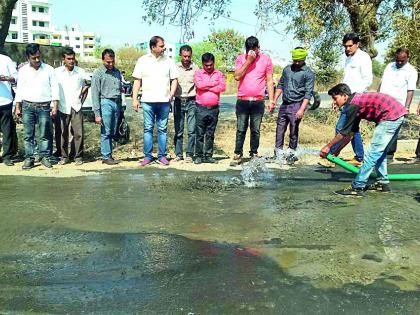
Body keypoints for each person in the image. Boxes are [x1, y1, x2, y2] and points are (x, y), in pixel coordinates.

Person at [320, 83, 407, 197]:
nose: (334, 102)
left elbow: (343, 132)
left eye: (335, 98)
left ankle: (357, 187)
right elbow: (350, 134)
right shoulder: (354, 103)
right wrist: (337, 151)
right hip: (397, 113)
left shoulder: (352, 105)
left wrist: (328, 147)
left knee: (372, 154)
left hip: (390, 116)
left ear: (344, 95)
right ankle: (382, 183)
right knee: (380, 153)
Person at [132, 35, 178, 166]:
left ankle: (162, 156)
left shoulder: (169, 61)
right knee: (148, 128)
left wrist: (171, 94)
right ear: (153, 47)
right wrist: (134, 99)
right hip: (147, 101)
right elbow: (137, 81)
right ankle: (148, 156)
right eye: (161, 46)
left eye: (164, 46)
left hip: (164, 101)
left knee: (162, 129)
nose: (164, 48)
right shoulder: (142, 60)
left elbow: (174, 79)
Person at [231, 36, 275, 166]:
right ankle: (238, 153)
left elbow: (269, 80)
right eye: (248, 50)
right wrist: (249, 61)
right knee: (240, 129)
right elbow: (237, 76)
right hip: (242, 100)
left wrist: (272, 100)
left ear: (257, 48)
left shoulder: (266, 59)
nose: (250, 52)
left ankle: (253, 153)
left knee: (255, 129)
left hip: (258, 101)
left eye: (253, 50)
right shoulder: (241, 58)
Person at [15, 43, 59, 170]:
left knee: (44, 133)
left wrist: (54, 105)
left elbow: (54, 88)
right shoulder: (22, 71)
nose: (37, 60)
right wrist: (18, 107)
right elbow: (20, 90)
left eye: (38, 56)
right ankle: (30, 158)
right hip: (28, 106)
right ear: (28, 57)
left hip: (44, 106)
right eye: (34, 58)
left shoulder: (49, 70)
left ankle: (45, 156)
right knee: (28, 134)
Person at [333, 33, 373, 166]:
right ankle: (359, 157)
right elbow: (345, 81)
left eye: (350, 46)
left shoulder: (364, 58)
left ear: (357, 44)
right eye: (345, 46)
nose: (348, 48)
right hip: (346, 98)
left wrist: (354, 96)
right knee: (353, 129)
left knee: (341, 127)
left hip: (357, 99)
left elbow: (368, 80)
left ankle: (331, 156)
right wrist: (337, 98)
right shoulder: (348, 58)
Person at [271, 47, 314, 164]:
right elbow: (280, 85)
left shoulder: (308, 73)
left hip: (297, 104)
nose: (296, 63)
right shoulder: (287, 70)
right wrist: (274, 100)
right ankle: (277, 153)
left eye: (298, 61)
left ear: (304, 59)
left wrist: (301, 109)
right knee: (280, 129)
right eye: (294, 60)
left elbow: (308, 93)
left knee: (293, 131)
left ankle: (291, 154)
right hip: (284, 104)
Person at [379, 48, 418, 161]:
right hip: (383, 103)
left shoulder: (411, 71)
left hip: (397, 105)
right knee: (381, 128)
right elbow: (382, 83)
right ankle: (380, 154)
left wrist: (406, 107)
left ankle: (389, 156)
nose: (399, 62)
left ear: (407, 58)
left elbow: (410, 91)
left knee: (393, 130)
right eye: (398, 60)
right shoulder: (389, 66)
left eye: (402, 60)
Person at [55, 47, 90, 165]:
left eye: (73, 59)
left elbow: (87, 85)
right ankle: (64, 156)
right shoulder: (57, 72)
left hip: (76, 105)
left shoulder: (80, 71)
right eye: (68, 59)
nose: (71, 61)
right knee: (62, 133)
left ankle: (78, 156)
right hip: (62, 105)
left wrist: (82, 99)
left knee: (78, 133)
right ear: (63, 59)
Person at [91, 48, 123, 165]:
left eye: (112, 61)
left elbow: (120, 90)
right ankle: (106, 156)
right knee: (106, 131)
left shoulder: (117, 72)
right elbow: (94, 94)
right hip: (105, 102)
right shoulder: (98, 73)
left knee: (113, 130)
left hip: (116, 103)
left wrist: (121, 108)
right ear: (102, 60)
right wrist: (97, 114)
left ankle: (110, 155)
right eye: (108, 62)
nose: (110, 64)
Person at [193, 52, 226, 164]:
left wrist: (207, 86)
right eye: (206, 65)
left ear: (213, 63)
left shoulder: (219, 74)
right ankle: (198, 156)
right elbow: (199, 86)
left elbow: (222, 87)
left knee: (210, 133)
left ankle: (208, 155)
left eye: (210, 65)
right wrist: (213, 85)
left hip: (214, 109)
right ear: (202, 64)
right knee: (200, 133)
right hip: (200, 108)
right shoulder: (198, 73)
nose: (208, 67)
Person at [173, 45, 199, 162]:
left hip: (192, 101)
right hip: (178, 101)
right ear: (180, 55)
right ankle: (178, 154)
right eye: (184, 56)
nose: (186, 59)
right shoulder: (174, 67)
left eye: (189, 56)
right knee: (178, 130)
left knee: (192, 130)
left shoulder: (196, 68)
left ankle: (189, 154)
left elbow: (199, 84)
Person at [0, 53, 18, 166]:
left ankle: (7, 156)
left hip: (5, 100)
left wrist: (5, 78)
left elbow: (15, 77)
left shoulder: (6, 59)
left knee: (7, 131)